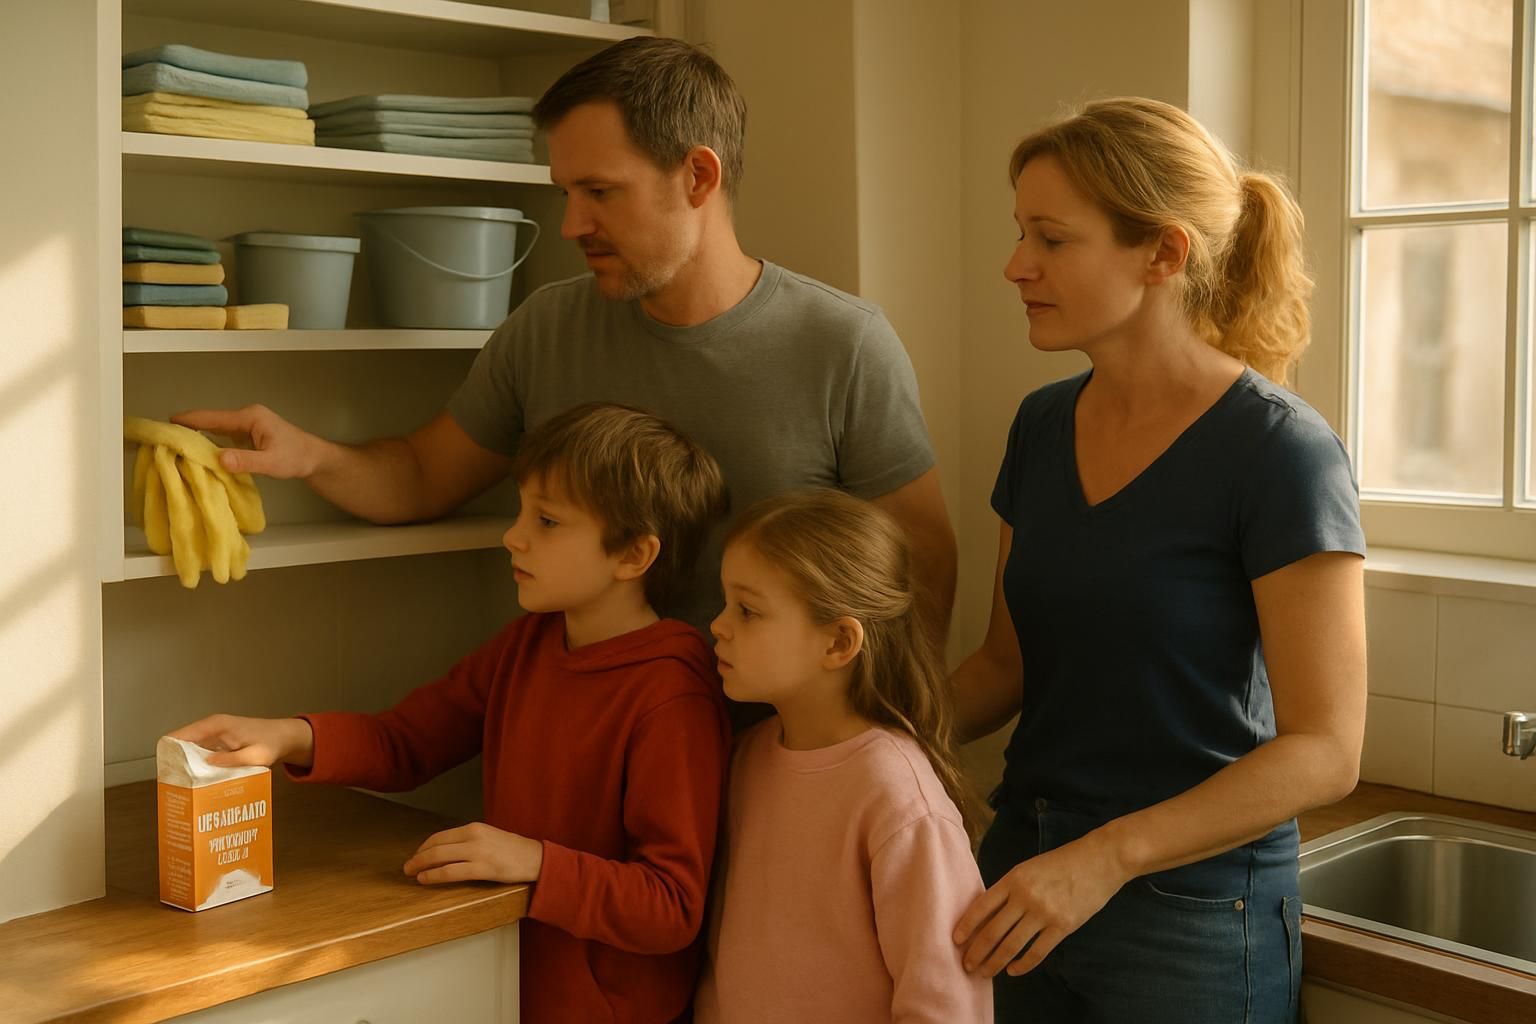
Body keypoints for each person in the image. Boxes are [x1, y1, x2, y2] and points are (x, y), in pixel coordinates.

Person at [172, 36, 955, 644]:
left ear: (699, 178)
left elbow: (920, 568)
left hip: (781, 773)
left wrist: (883, 748)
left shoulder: (843, 346)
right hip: (588, 765)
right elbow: (419, 476)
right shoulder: (547, 326)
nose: (571, 224)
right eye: (566, 193)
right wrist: (309, 455)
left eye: (600, 192)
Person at [948, 98, 1367, 1023]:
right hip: (1022, 881)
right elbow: (1004, 667)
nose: (1016, 266)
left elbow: (1327, 752)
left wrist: (1104, 858)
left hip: (1193, 915)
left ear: (1163, 254)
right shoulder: (1041, 426)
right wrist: (862, 730)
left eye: (1051, 240)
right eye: (1021, 234)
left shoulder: (1280, 452)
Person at [171, 403, 733, 1024]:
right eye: (522, 511)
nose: (513, 536)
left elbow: (671, 906)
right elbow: (407, 742)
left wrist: (535, 862)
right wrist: (287, 737)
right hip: (503, 980)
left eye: (546, 521)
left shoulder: (672, 697)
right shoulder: (527, 645)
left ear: (634, 556)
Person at [694, 489, 992, 1023]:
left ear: (838, 643)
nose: (718, 625)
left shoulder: (897, 797)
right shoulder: (747, 759)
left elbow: (945, 1001)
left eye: (747, 609)